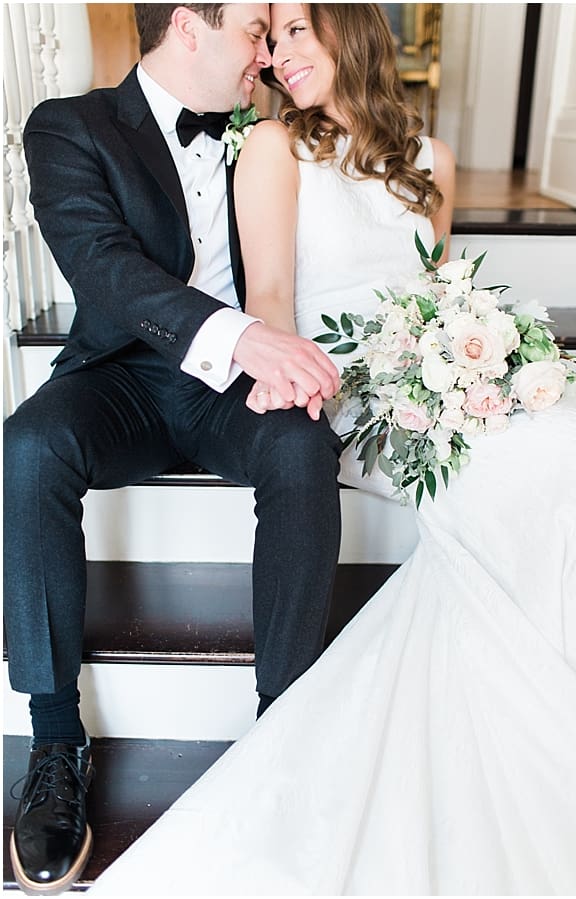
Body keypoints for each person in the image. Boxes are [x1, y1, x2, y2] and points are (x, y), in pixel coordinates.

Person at [87, 4, 576, 894]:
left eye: (295, 32)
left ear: (350, 29)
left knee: (561, 436)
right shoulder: (273, 150)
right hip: (346, 391)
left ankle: (548, 690)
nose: (280, 56)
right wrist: (302, 393)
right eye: (270, 37)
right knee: (529, 465)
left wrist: (486, 365)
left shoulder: (432, 162)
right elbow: (273, 295)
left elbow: (440, 296)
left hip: (438, 379)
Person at [5, 4, 346, 893]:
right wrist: (242, 339)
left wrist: (266, 354)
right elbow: (107, 269)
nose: (268, 55)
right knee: (29, 444)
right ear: (189, 26)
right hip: (124, 375)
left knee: (305, 448)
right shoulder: (70, 127)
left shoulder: (267, 136)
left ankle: (282, 729)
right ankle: (53, 740)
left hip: (235, 390)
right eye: (254, 32)